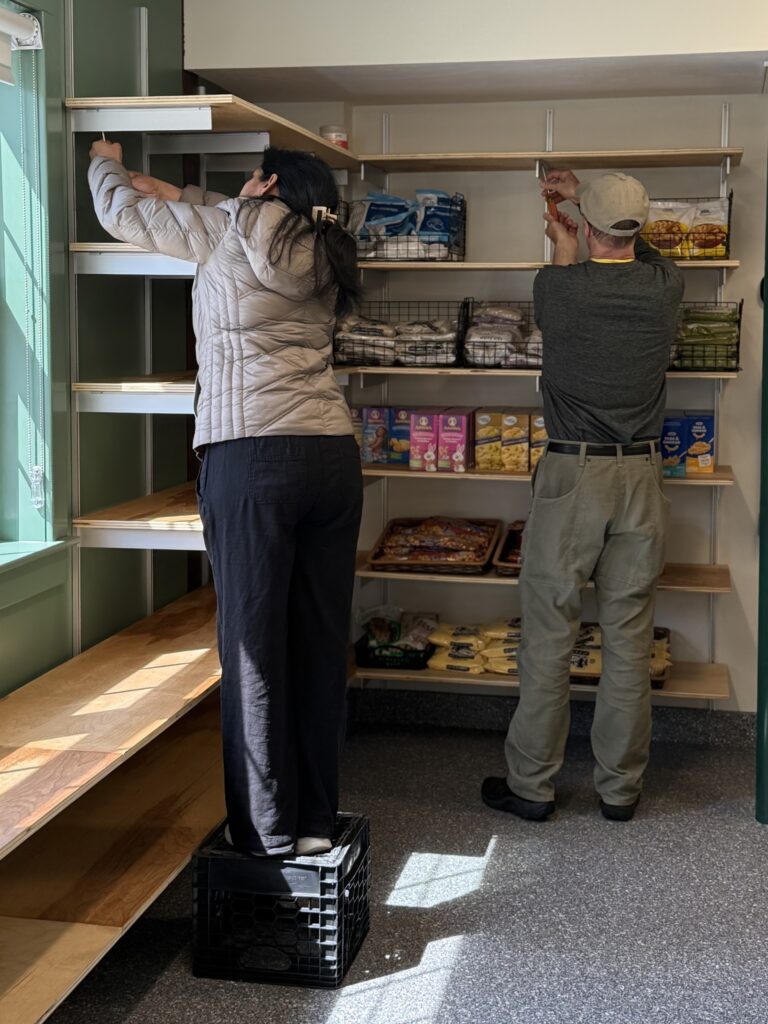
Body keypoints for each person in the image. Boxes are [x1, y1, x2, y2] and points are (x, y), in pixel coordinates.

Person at [88, 141, 364, 857]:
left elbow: (119, 214)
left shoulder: (227, 230)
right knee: (317, 643)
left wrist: (105, 161)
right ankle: (313, 822)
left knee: (253, 649)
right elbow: (239, 219)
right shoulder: (329, 246)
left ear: (265, 182)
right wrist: (183, 193)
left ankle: (266, 836)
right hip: (330, 456)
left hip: (252, 454)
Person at [482, 170, 684, 823]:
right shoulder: (665, 288)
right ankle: (620, 790)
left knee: (549, 635)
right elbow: (640, 251)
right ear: (639, 228)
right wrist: (586, 209)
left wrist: (566, 224)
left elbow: (577, 269)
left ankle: (533, 787)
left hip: (573, 476)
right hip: (642, 478)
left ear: (590, 228)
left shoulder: (557, 288)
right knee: (628, 637)